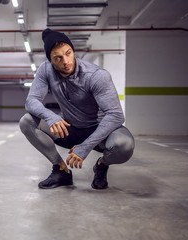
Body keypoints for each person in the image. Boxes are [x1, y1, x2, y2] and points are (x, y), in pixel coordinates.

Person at [19, 28, 135, 190]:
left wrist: (85, 146)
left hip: (100, 132)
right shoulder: (46, 70)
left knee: (124, 145)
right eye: (58, 58)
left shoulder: (96, 75)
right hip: (70, 129)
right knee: (27, 122)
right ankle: (61, 170)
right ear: (50, 60)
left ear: (73, 51)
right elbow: (31, 101)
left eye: (68, 53)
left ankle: (102, 165)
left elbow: (116, 115)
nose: (65, 61)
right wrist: (51, 117)